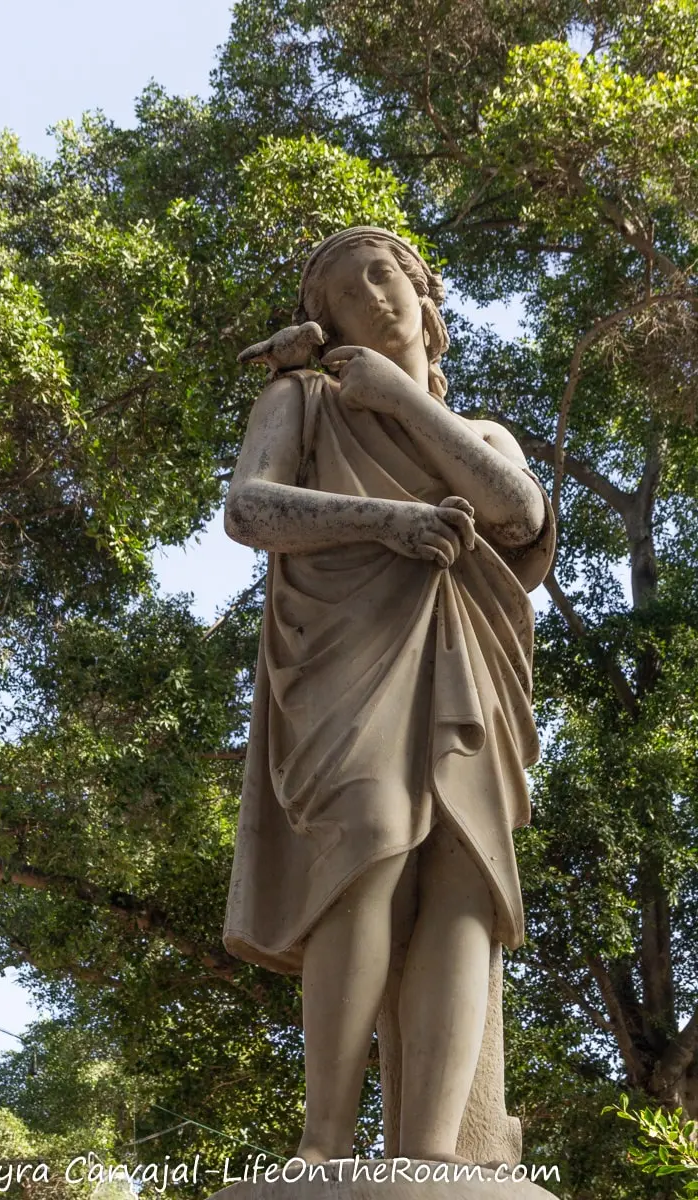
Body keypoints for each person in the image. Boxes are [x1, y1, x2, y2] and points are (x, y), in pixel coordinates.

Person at [222, 227, 555, 1165]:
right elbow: (251, 508)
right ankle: (323, 1144)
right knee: (365, 847)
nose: (371, 295)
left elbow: (516, 511)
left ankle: (435, 1154)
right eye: (342, 291)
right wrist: (392, 522)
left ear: (423, 296)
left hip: (467, 659)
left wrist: (402, 398)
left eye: (385, 274)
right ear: (322, 325)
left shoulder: (477, 432)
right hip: (344, 652)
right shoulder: (299, 401)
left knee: (464, 876)